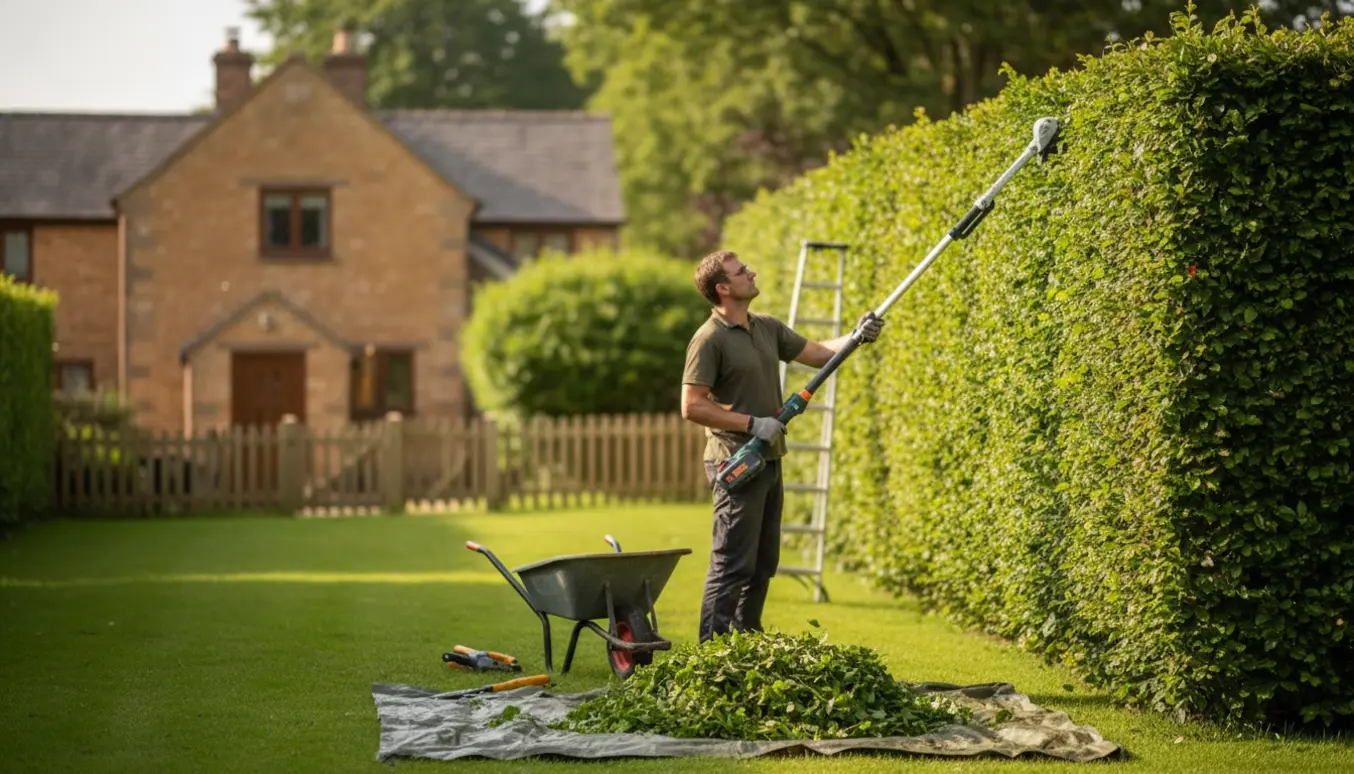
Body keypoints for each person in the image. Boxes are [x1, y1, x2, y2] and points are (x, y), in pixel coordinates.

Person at [680, 249, 883, 642]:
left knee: (762, 563)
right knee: (731, 564)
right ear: (723, 288)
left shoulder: (767, 327)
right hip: (735, 461)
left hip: (769, 459)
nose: (751, 273)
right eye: (741, 271)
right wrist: (752, 423)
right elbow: (692, 406)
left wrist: (856, 336)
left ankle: (747, 642)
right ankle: (712, 652)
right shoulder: (709, 339)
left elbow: (820, 354)